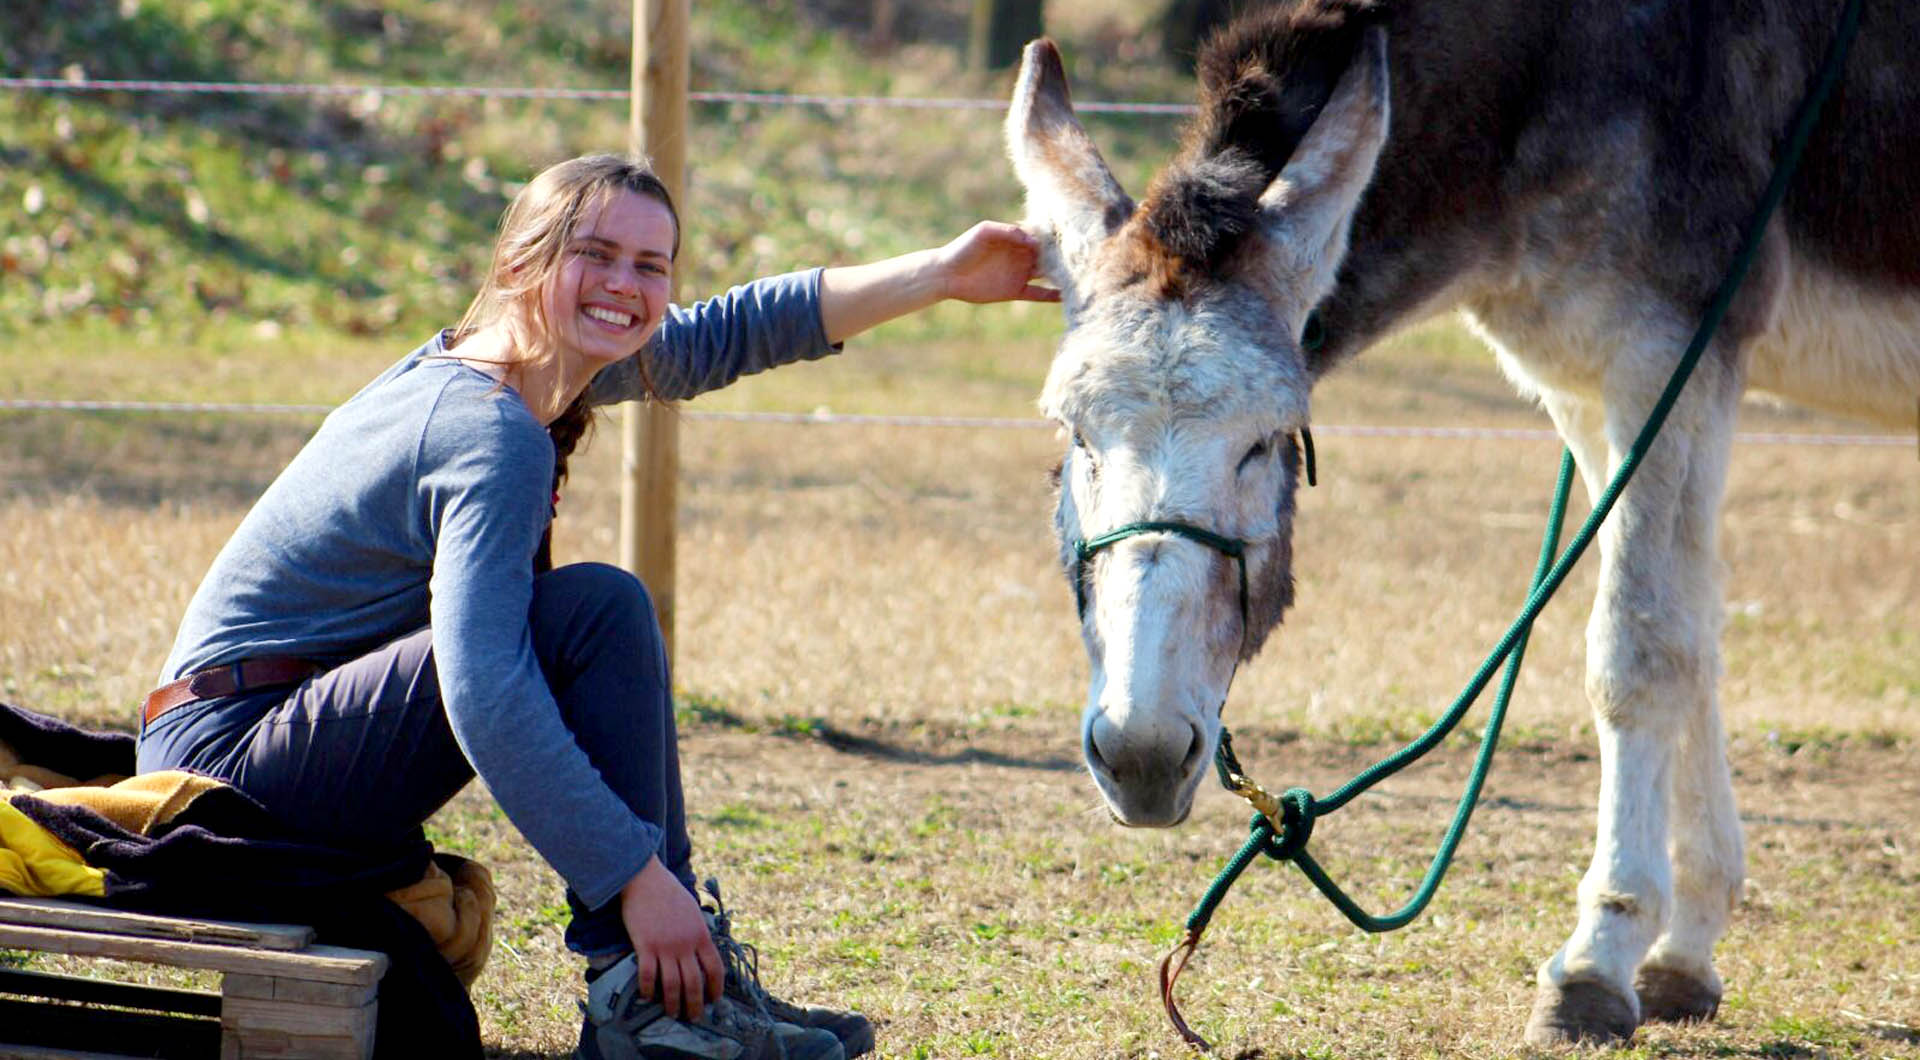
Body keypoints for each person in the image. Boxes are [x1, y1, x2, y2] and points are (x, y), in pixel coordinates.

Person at [134, 153, 1057, 1060]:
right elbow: (485, 693)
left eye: (651, 266)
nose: (627, 285)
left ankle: (678, 993)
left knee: (594, 611)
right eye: (597, 254)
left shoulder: (526, 366)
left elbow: (730, 332)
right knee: (595, 612)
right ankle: (643, 996)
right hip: (227, 778)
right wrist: (635, 878)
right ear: (517, 266)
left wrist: (941, 273)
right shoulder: (488, 431)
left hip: (255, 741)